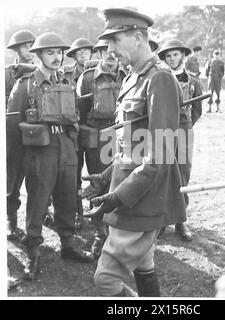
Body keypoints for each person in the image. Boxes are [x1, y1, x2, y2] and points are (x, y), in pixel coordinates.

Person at [83, 8, 186, 296]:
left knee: (105, 280)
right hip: (132, 192)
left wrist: (118, 197)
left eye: (115, 40)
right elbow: (133, 145)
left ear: (138, 36)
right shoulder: (132, 79)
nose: (109, 49)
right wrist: (105, 177)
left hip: (140, 199)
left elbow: (161, 154)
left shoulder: (159, 79)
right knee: (144, 263)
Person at [6, 32, 94, 281]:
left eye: (59, 52)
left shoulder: (67, 81)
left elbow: (76, 114)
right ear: (38, 55)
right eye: (50, 52)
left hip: (66, 148)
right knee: (38, 202)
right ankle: (33, 251)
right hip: (39, 153)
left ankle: (68, 245)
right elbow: (13, 129)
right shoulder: (24, 85)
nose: (57, 57)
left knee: (67, 197)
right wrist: (21, 161)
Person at [77, 38, 126, 258]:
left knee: (121, 182)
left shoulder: (128, 76)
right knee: (98, 183)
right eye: (104, 50)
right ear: (99, 52)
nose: (110, 54)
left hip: (124, 136)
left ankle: (118, 230)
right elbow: (80, 112)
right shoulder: (87, 79)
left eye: (113, 51)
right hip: (98, 138)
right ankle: (99, 233)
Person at [157, 39, 202, 242]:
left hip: (184, 131)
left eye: (175, 54)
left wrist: (185, 125)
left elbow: (198, 110)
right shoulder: (160, 79)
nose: (172, 59)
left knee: (183, 173)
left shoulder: (193, 81)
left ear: (182, 56)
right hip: (164, 131)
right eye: (168, 56)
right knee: (163, 172)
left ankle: (180, 220)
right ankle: (162, 219)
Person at [6, 30, 37, 241]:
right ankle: (11, 221)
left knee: (37, 177)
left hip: (35, 133)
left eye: (31, 46)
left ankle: (40, 218)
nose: (29, 50)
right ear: (16, 50)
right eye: (25, 46)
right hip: (13, 135)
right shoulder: (8, 74)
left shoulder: (38, 72)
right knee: (13, 178)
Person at [64, 38, 94, 229]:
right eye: (79, 53)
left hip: (92, 130)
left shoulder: (98, 74)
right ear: (74, 56)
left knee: (96, 172)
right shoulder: (66, 75)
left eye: (86, 52)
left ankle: (95, 207)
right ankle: (77, 212)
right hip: (73, 131)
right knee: (74, 173)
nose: (83, 55)